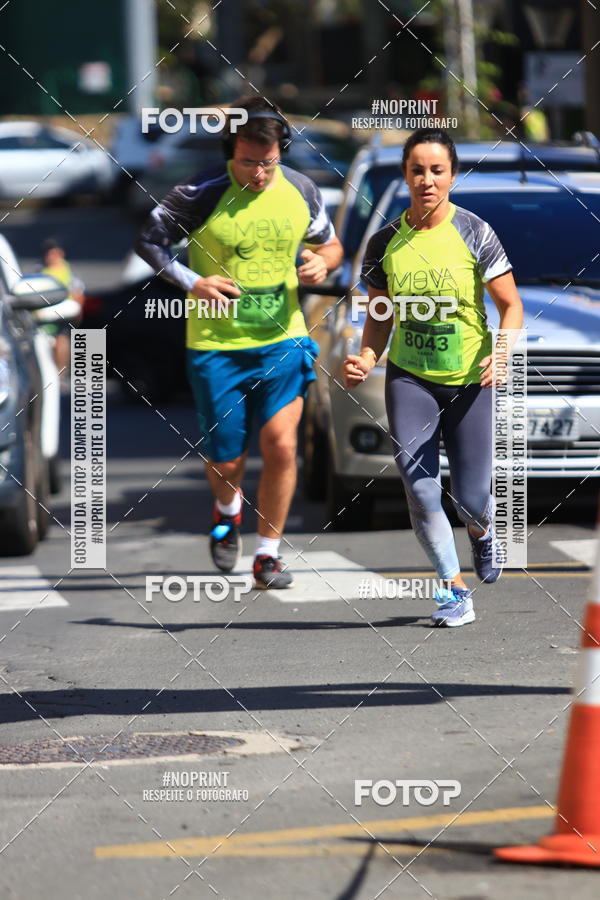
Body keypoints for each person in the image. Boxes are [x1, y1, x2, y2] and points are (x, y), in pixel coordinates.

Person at [135, 96, 343, 589]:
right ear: (232, 149)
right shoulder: (199, 190)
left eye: (269, 162)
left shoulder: (302, 188)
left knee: (282, 446)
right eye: (249, 161)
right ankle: (227, 512)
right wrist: (193, 283)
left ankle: (268, 555)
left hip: (283, 339)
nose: (260, 173)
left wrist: (324, 263)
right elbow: (149, 241)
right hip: (216, 344)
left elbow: (330, 244)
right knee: (228, 459)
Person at [343, 127, 523, 627]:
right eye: (417, 170)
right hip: (410, 379)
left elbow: (511, 306)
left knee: (470, 499)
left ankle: (483, 533)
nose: (426, 179)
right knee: (421, 490)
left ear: (452, 174)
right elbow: (379, 316)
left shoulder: (475, 232)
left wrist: (503, 353)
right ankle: (452, 590)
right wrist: (366, 357)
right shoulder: (384, 242)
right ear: (405, 175)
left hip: (469, 380)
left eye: (436, 170)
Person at [39, 238, 84, 371]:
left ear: (61, 253)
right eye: (48, 254)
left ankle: (59, 373)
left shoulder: (68, 271)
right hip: (44, 314)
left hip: (65, 312)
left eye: (55, 253)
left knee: (61, 340)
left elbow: (78, 292)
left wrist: (79, 310)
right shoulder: (41, 271)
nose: (51, 257)